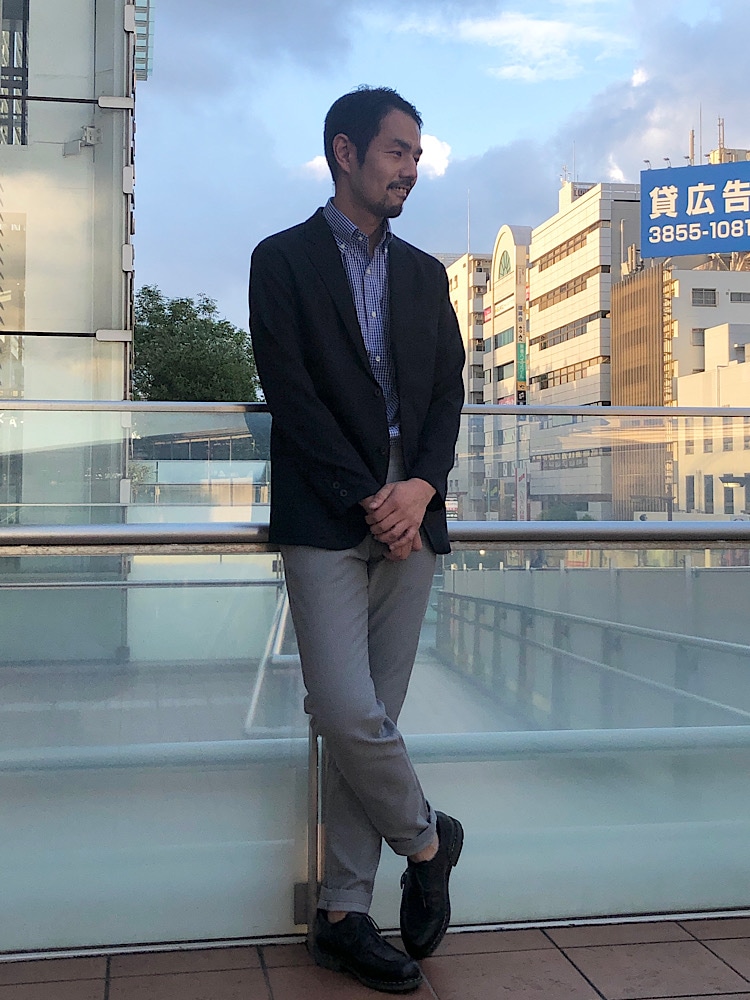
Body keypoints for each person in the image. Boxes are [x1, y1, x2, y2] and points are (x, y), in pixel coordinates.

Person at [249, 86, 465, 994]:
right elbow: (289, 394)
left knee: (376, 713)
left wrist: (420, 486)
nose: (411, 168)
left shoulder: (424, 273)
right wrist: (370, 495)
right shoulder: (282, 260)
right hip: (328, 509)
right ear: (345, 152)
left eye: (417, 153)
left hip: (412, 510)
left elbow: (448, 389)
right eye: (396, 151)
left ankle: (342, 914)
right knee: (344, 709)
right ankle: (427, 841)